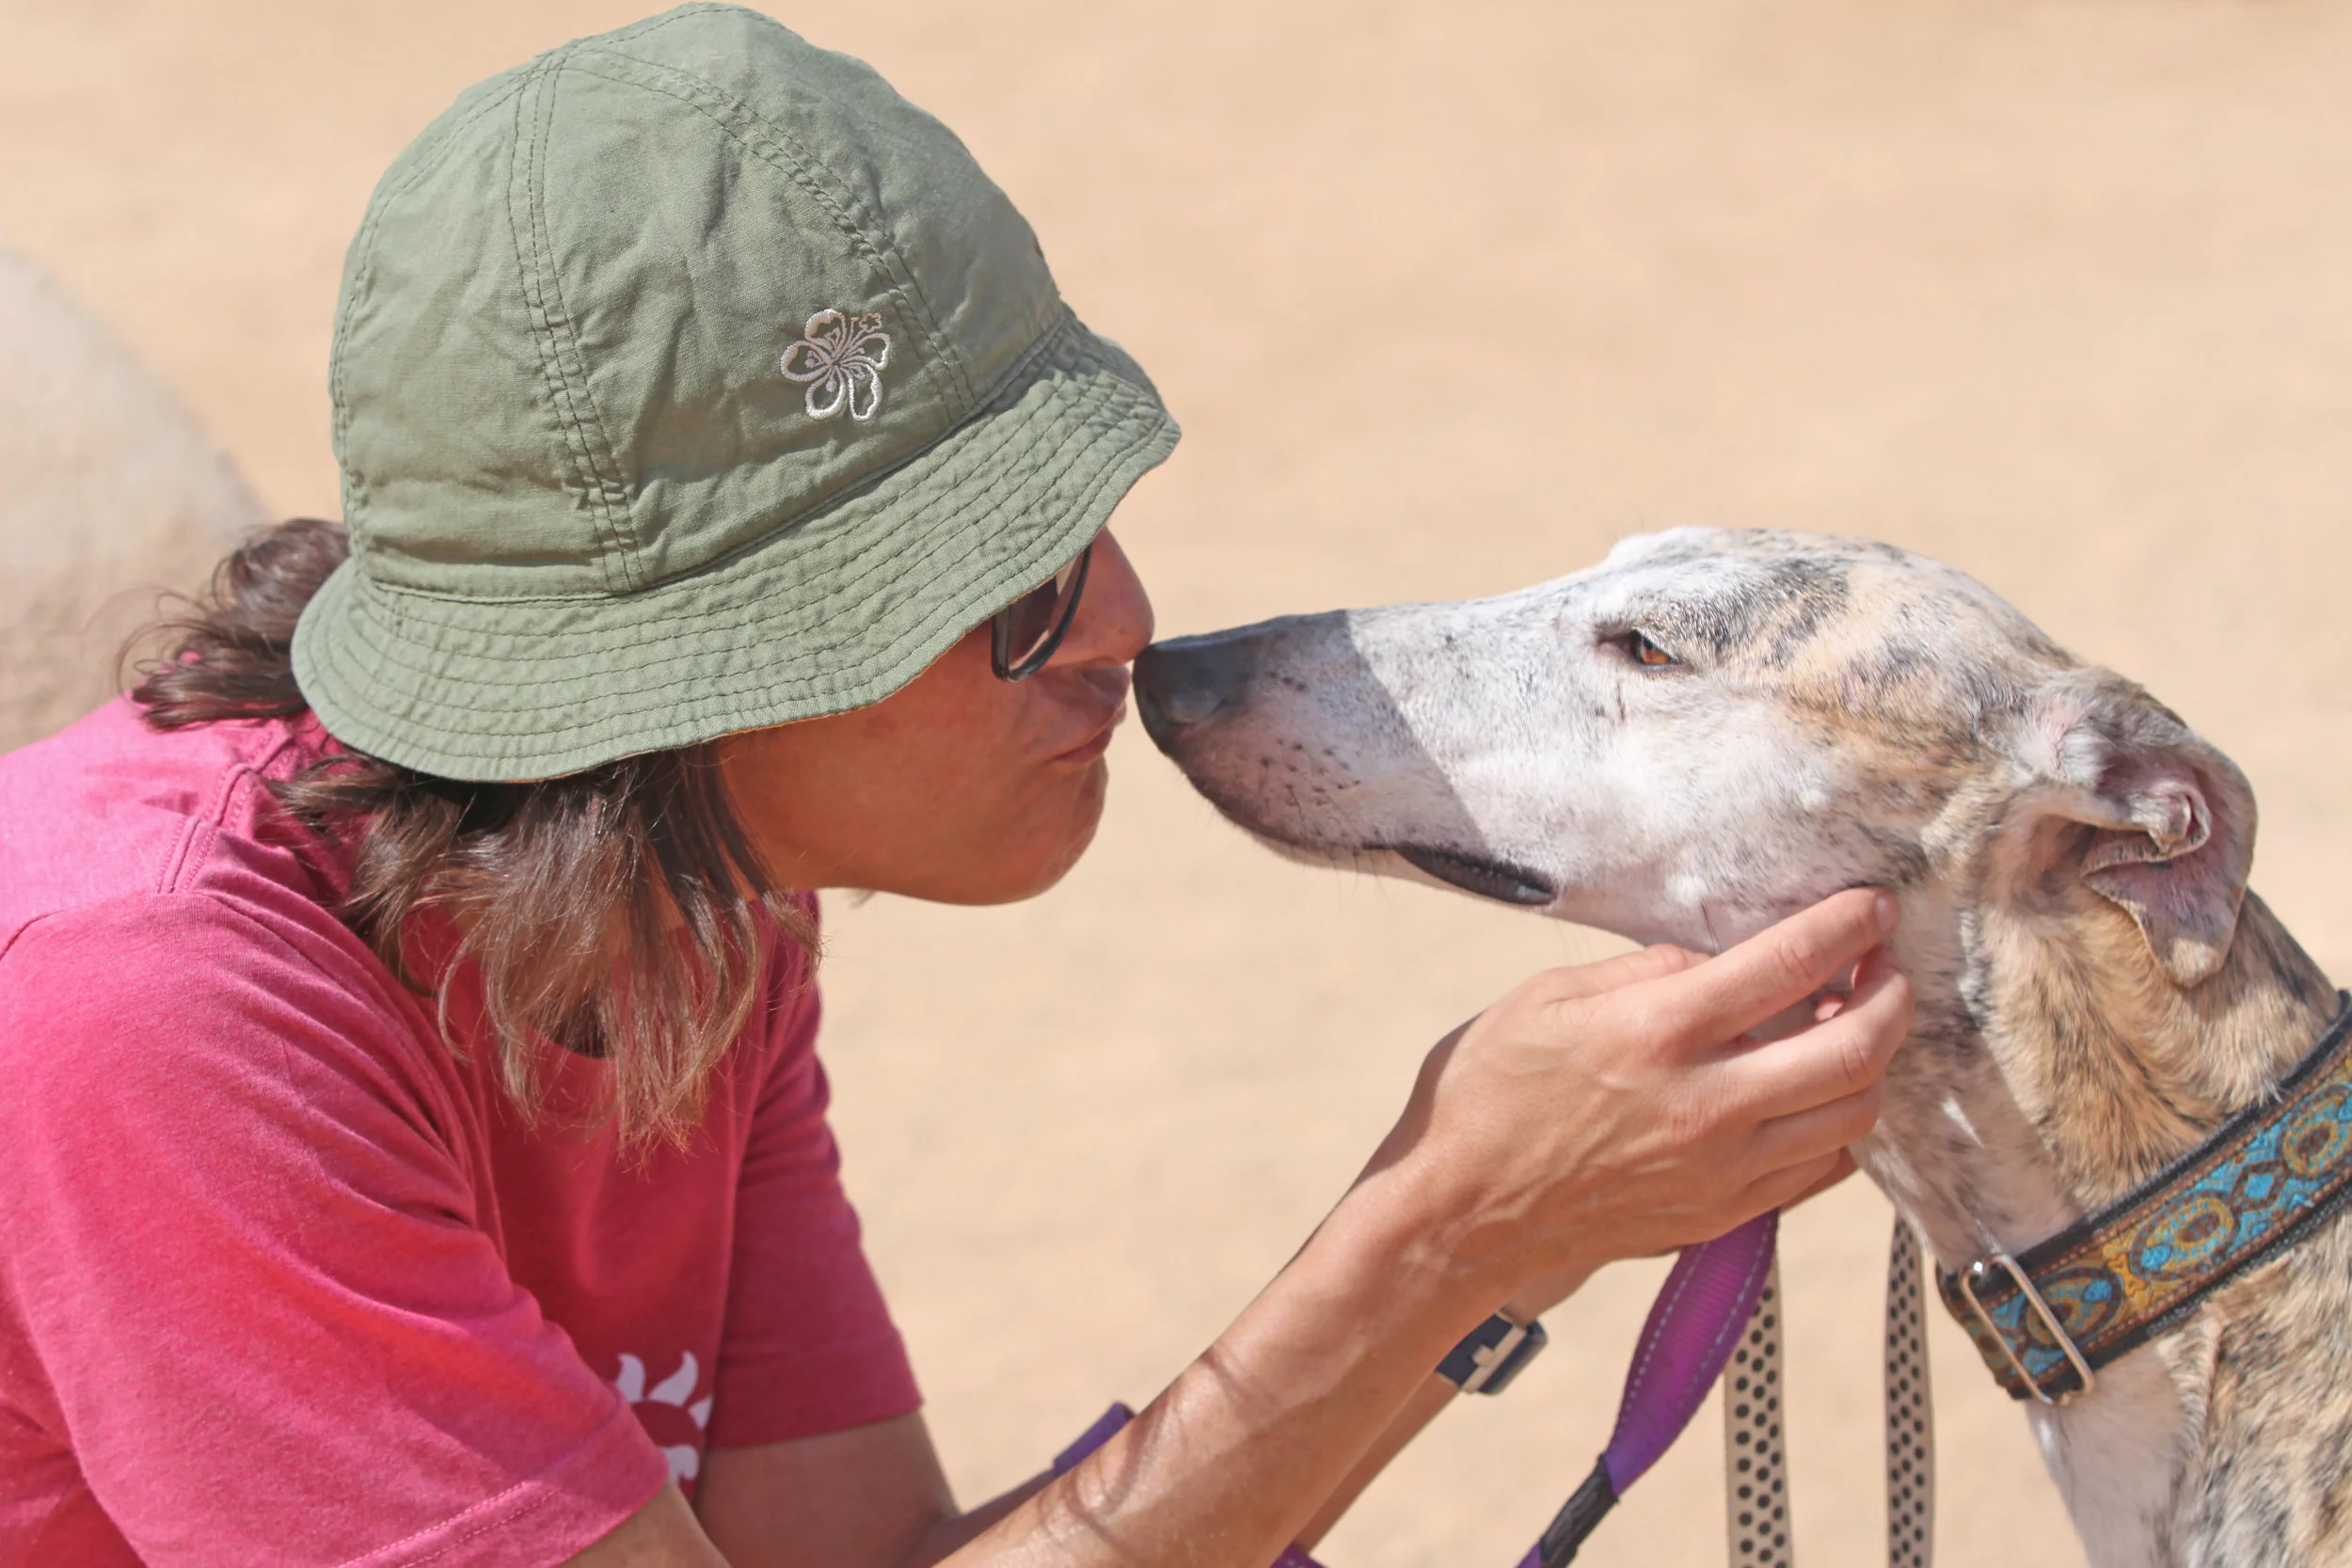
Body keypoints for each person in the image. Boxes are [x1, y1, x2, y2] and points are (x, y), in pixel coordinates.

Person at [0, 10, 1912, 1567]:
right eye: (996, 586)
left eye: (1082, 528)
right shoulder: (147, 1014)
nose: (1124, 632)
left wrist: (1500, 1232)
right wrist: (1441, 1236)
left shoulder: (698, 895)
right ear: (686, 674)